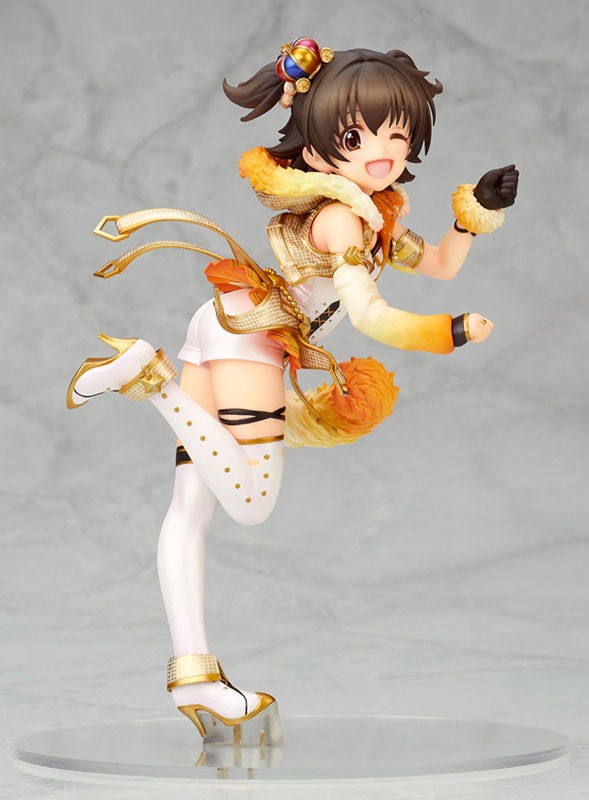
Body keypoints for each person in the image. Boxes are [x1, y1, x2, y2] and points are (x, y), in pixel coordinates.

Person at [67, 38, 518, 746]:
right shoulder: (342, 219)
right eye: (356, 137)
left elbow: (435, 263)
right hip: (251, 338)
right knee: (249, 503)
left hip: (225, 325)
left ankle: (195, 677)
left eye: (397, 136)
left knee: (190, 512)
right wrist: (451, 332)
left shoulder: (372, 214)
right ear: (314, 145)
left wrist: (474, 214)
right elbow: (371, 316)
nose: (382, 153)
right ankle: (147, 379)